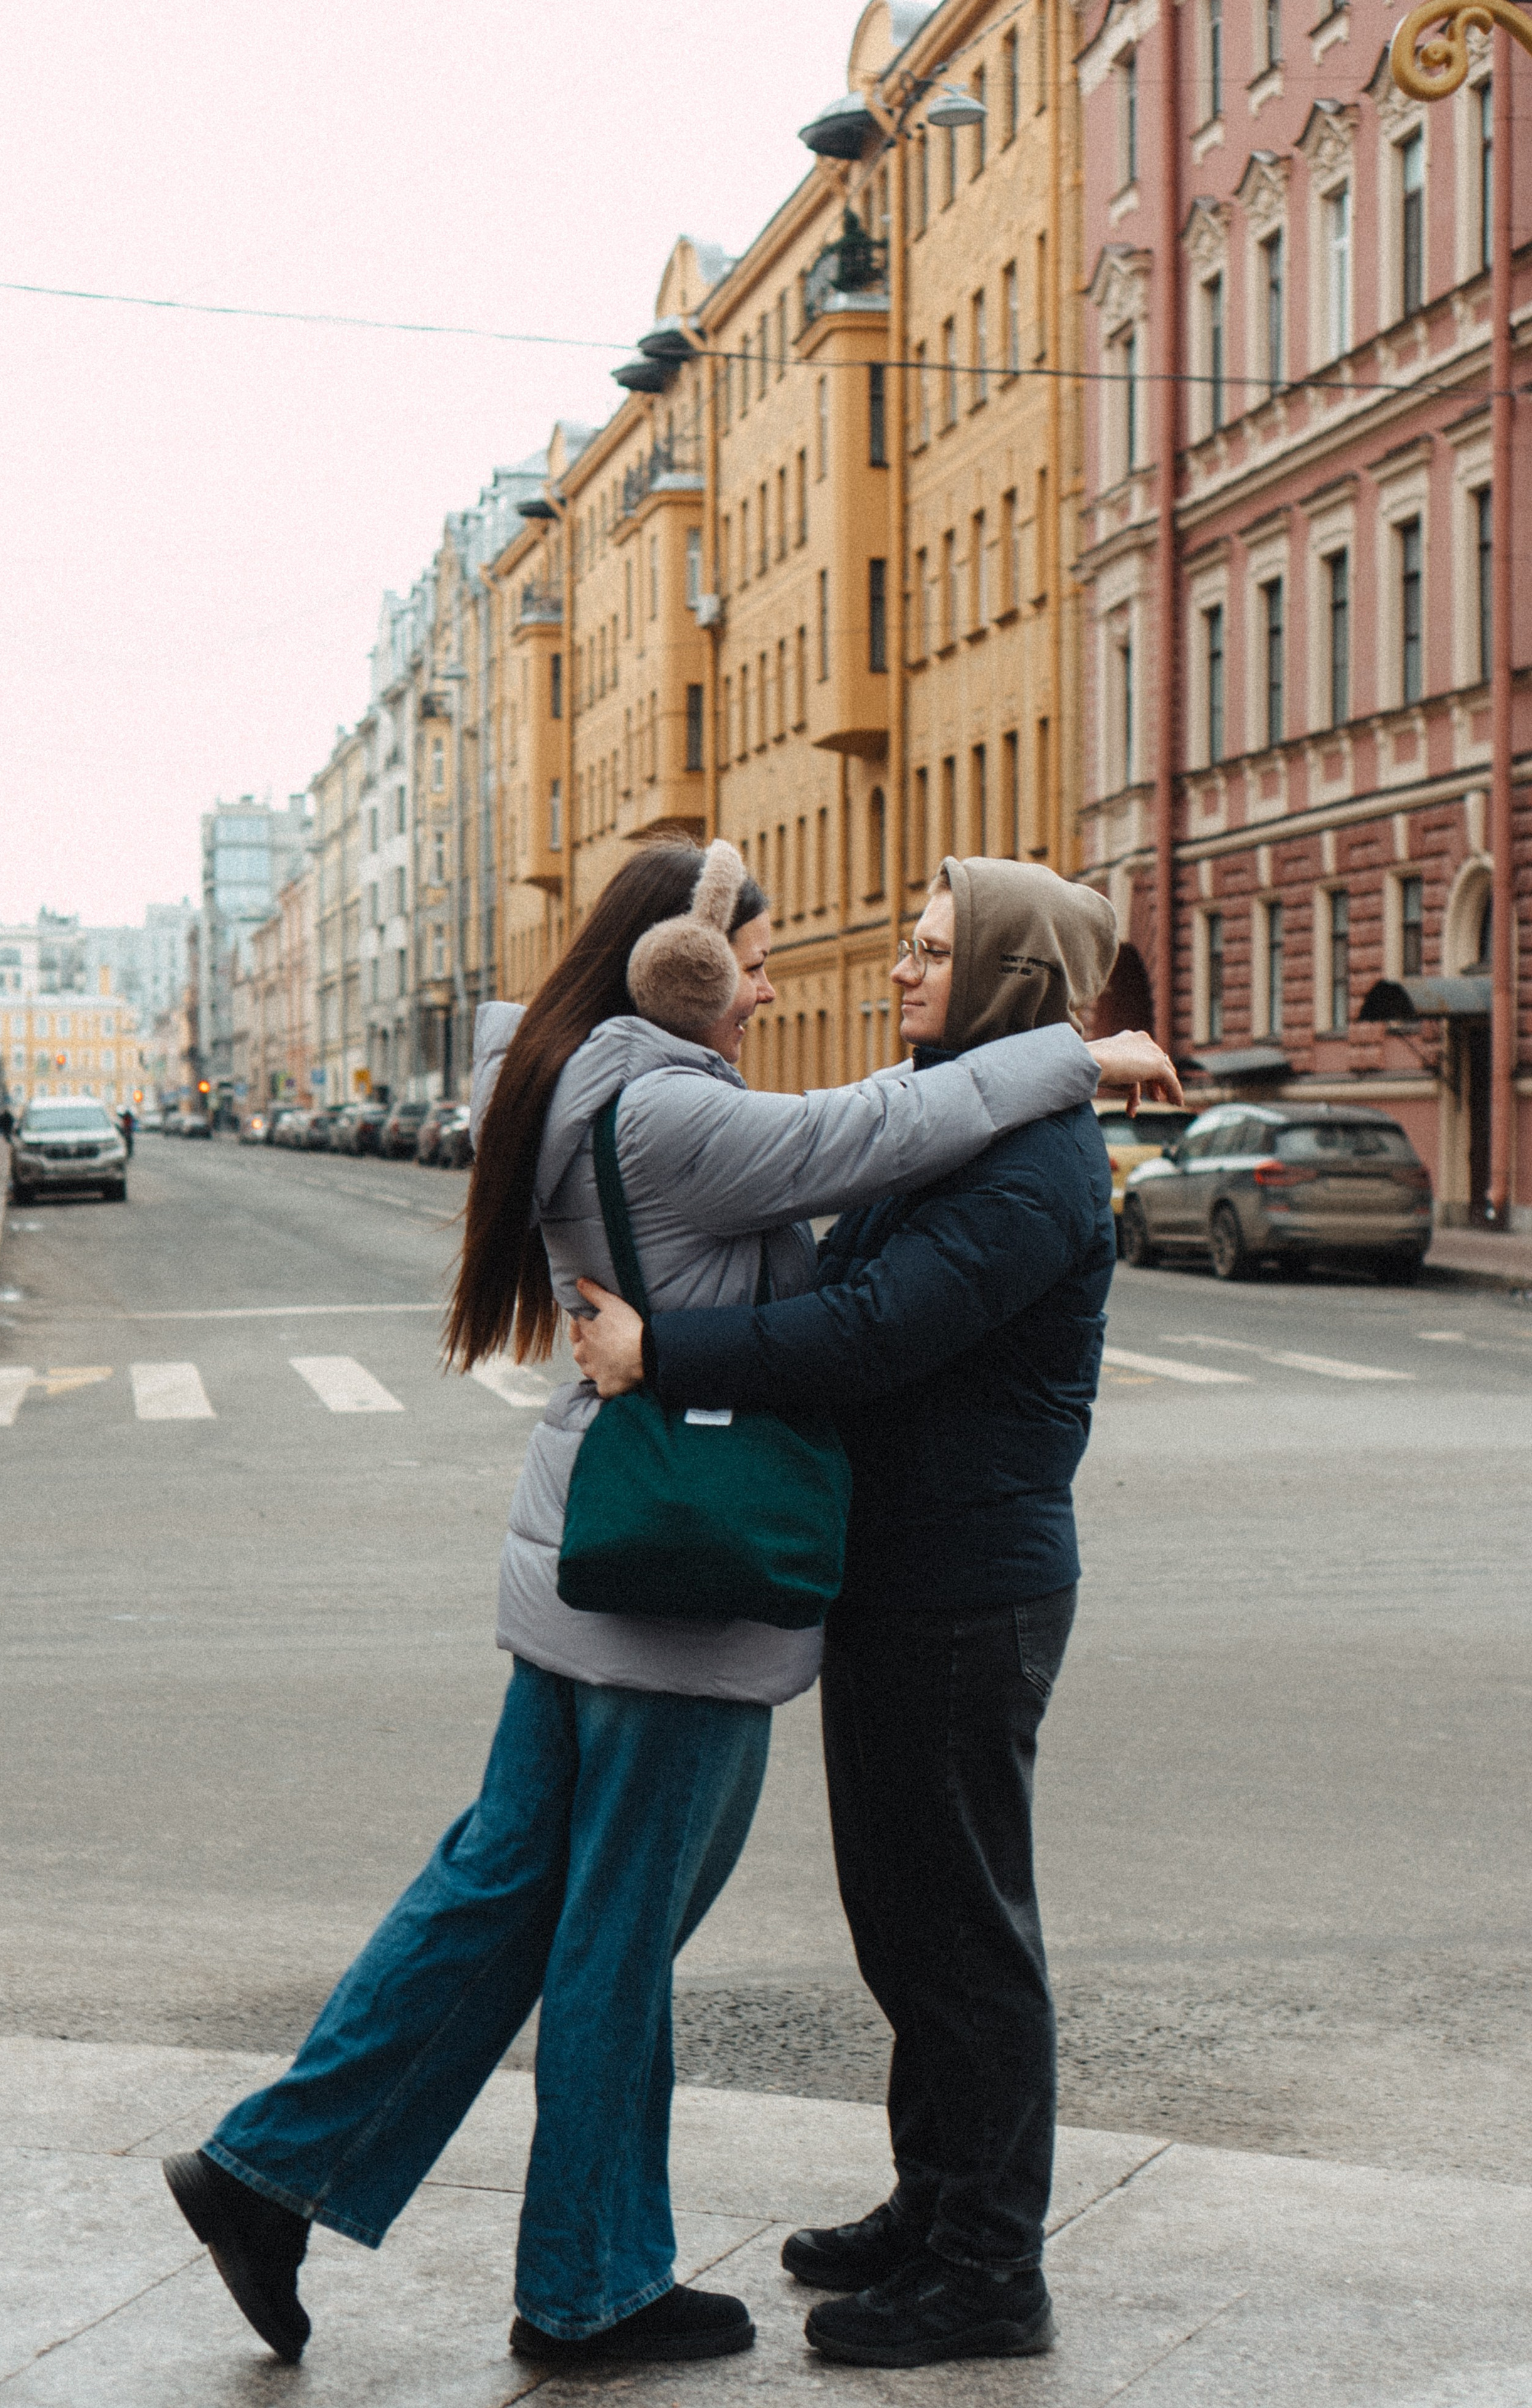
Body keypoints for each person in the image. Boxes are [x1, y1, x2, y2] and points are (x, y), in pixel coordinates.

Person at [162, 840, 1159, 2375]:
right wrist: (1071, 1055)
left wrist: (1049, 1069)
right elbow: (877, 1162)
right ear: (675, 963)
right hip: (676, 1579)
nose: (791, 983)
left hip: (663, 1557)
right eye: (755, 962)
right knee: (625, 1930)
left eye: (920, 945)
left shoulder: (580, 1082)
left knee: (516, 1891)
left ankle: (271, 2174)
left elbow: (878, 1272)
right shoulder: (675, 1108)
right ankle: (584, 2282)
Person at [571, 857, 1177, 2371]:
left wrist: (669, 1350)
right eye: (904, 947)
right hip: (903, 1578)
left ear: (1005, 985)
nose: (898, 973)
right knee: (902, 1915)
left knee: (964, 1932)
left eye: (926, 953)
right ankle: (932, 2201)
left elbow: (866, 1331)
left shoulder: (1029, 1161)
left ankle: (988, 2270)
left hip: (970, 1587)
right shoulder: (955, 1122)